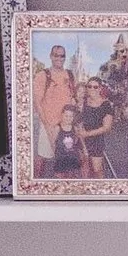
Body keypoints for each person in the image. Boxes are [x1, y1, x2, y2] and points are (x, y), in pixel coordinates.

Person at [32, 39, 78, 179]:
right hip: (49, 124)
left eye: (62, 56)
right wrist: (46, 126)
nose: (59, 58)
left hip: (66, 126)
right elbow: (37, 103)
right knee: (42, 157)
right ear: (51, 56)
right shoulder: (42, 75)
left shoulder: (69, 75)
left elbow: (72, 99)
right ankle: (35, 185)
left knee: (66, 160)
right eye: (56, 55)